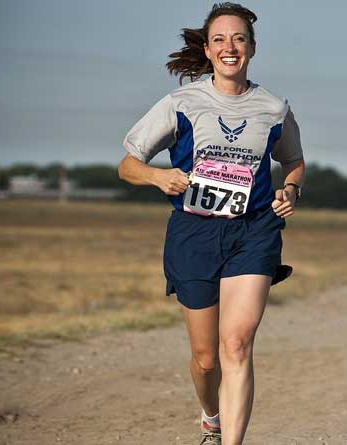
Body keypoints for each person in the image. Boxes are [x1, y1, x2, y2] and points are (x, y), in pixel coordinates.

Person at [117, 4, 305, 444]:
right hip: (194, 233)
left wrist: (291, 190)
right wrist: (159, 176)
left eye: (239, 39)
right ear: (207, 49)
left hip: (253, 231)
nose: (230, 47)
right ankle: (210, 417)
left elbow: (293, 161)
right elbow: (128, 166)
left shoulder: (273, 108)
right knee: (206, 359)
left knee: (236, 345)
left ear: (252, 48)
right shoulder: (181, 103)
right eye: (220, 39)